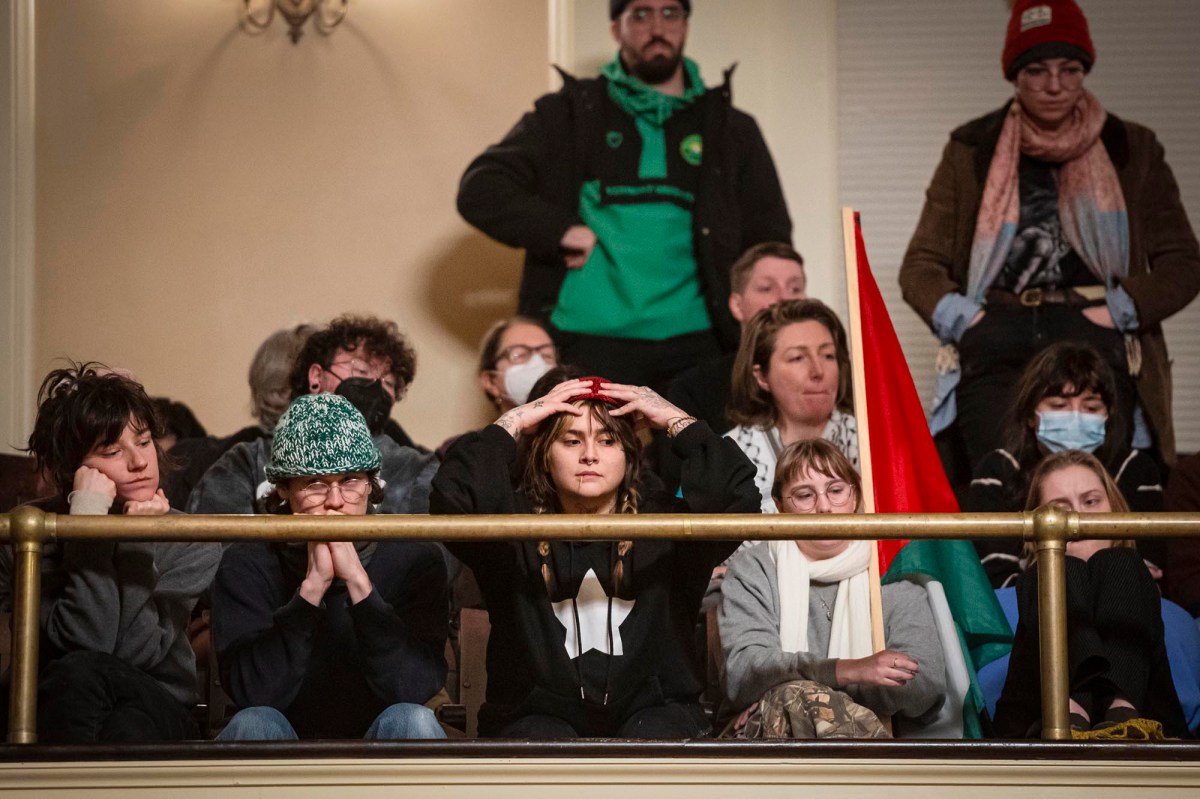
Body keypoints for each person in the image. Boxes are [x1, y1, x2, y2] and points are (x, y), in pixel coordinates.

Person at [898, 0, 1200, 482]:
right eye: (1037, 70)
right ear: (1014, 76)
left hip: (1096, 331)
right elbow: (920, 266)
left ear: (1085, 71)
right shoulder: (972, 148)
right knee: (999, 483)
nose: (1055, 85)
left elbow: (1183, 262)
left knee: (1103, 486)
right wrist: (969, 322)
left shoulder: (1132, 147)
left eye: (1070, 69)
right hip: (999, 329)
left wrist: (1119, 312)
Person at [456, 0, 792, 390]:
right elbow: (480, 189)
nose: (658, 27)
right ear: (617, 28)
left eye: (670, 13)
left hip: (700, 341)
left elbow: (770, 236)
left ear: (685, 24)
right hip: (585, 340)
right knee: (581, 434)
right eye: (641, 14)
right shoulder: (569, 114)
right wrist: (560, 229)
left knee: (704, 434)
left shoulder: (731, 129)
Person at [430, 369, 759, 738]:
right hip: (534, 718)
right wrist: (514, 421)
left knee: (650, 740)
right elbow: (452, 499)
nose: (589, 455)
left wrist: (675, 419)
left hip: (658, 714)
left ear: (629, 454)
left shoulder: (664, 524)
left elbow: (738, 498)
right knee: (543, 743)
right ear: (544, 454)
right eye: (571, 441)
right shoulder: (514, 528)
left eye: (607, 440)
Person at [0, 363, 219, 743]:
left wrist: (136, 537)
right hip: (55, 699)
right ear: (75, 468)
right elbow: (86, 644)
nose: (139, 462)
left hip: (157, 702)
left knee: (126, 723)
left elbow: (136, 653)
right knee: (80, 680)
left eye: (144, 442)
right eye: (113, 450)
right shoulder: (28, 532)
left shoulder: (193, 539)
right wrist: (88, 522)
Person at [211, 394, 448, 740]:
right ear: (283, 489)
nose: (335, 502)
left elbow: (412, 689)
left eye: (350, 480)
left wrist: (359, 585)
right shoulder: (247, 560)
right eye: (315, 483)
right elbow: (254, 695)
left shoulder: (414, 557)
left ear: (371, 484)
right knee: (254, 724)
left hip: (379, 743)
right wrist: (311, 591)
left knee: (414, 721)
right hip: (282, 741)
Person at [718, 439, 946, 738]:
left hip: (877, 745)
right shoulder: (754, 569)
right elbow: (745, 672)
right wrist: (850, 670)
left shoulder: (890, 571)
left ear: (855, 495)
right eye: (804, 495)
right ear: (780, 505)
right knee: (795, 698)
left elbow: (926, 688)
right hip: (777, 749)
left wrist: (788, 687)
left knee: (797, 696)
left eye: (836, 491)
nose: (824, 507)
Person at [993, 449, 1188, 738]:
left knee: (1121, 563)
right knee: (1055, 572)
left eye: (1091, 501)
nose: (1078, 518)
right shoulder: (1002, 602)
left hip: (1152, 737)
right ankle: (1072, 711)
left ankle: (1121, 712)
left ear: (1115, 510)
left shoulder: (1171, 612)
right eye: (1060, 509)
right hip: (1034, 732)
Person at [188, 314, 437, 516]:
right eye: (361, 370)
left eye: (389, 383)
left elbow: (428, 557)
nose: (375, 386)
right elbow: (217, 550)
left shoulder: (417, 470)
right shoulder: (246, 462)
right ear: (316, 376)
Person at [967, 342, 1164, 587]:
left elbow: (1147, 574)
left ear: (1108, 415)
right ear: (1030, 415)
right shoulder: (1000, 469)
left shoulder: (1135, 468)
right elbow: (996, 581)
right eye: (1059, 406)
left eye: (1091, 407)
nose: (1075, 417)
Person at [725, 299, 858, 513]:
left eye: (828, 355)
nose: (818, 371)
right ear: (762, 377)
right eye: (797, 358)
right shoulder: (728, 456)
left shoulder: (872, 443)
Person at [668, 242, 807, 438]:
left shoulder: (830, 377)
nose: (784, 299)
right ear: (737, 305)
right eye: (767, 288)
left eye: (795, 288)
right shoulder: (694, 389)